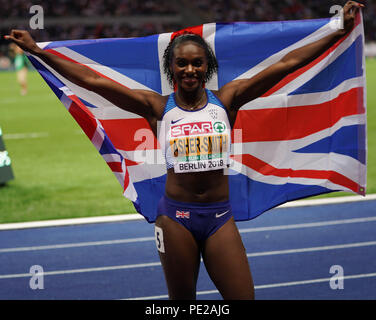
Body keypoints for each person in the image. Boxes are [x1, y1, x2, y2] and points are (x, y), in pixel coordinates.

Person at [5, 1, 363, 300]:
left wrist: (336, 30)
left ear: (208, 67)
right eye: (182, 63)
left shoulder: (228, 99)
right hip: (176, 218)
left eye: (197, 63)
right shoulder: (157, 107)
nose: (190, 69)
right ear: (171, 68)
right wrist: (37, 50)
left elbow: (285, 65)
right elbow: (94, 81)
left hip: (221, 217)